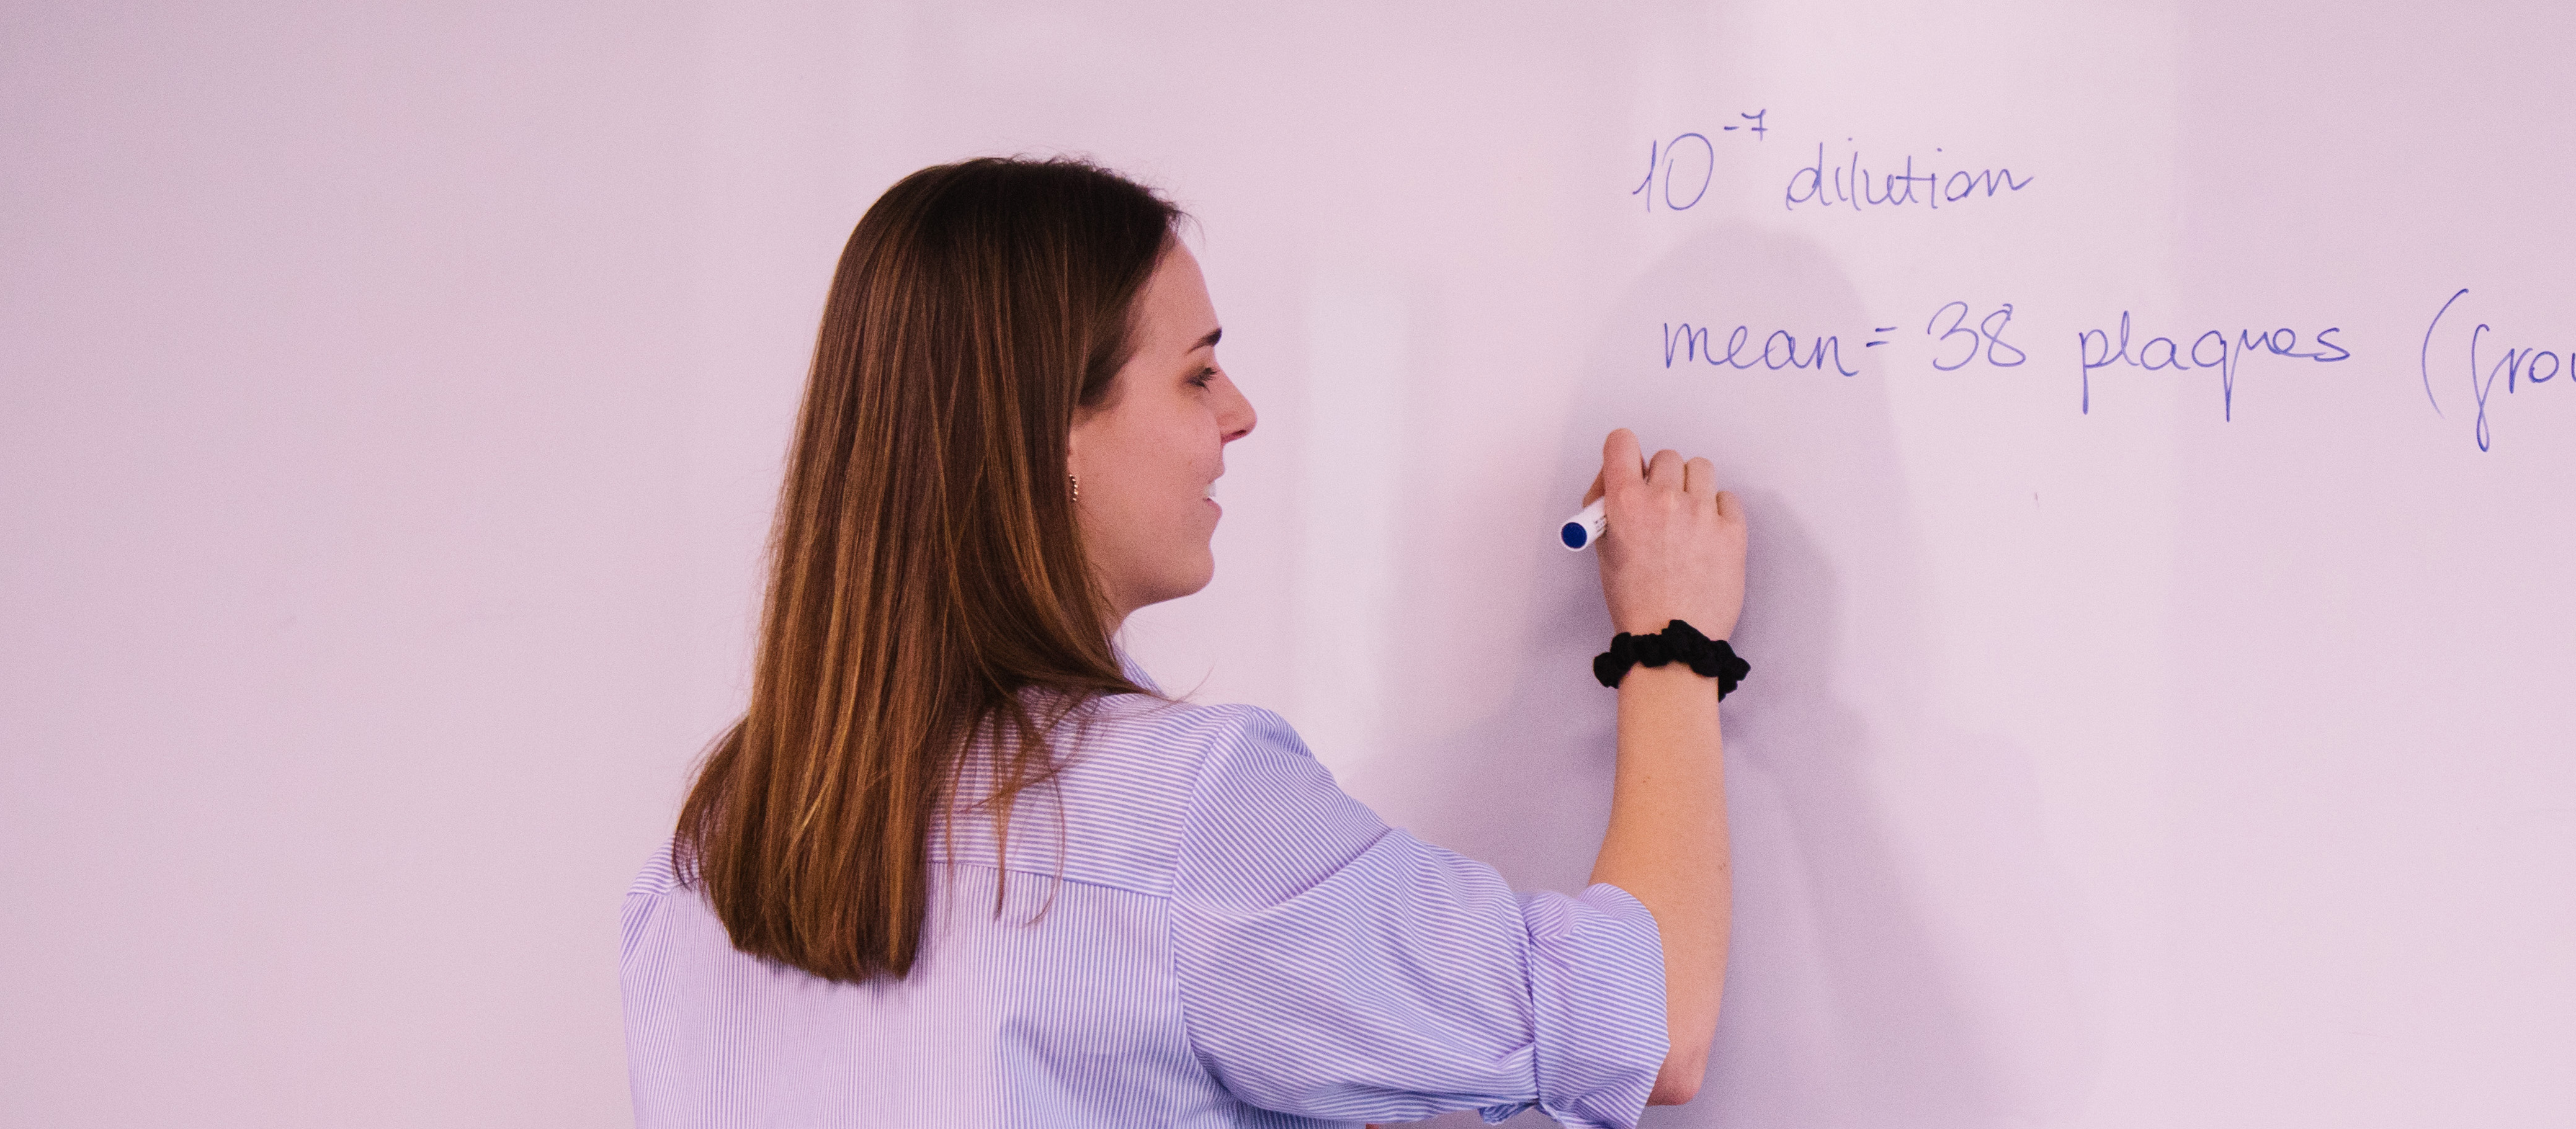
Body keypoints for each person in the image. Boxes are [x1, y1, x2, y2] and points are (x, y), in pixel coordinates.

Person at [620, 156, 1747, 1128]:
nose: (1240, 412)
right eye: (1197, 371)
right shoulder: (1181, 814)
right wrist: (1673, 644)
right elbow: (1648, 1027)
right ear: (1050, 433)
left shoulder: (723, 836)